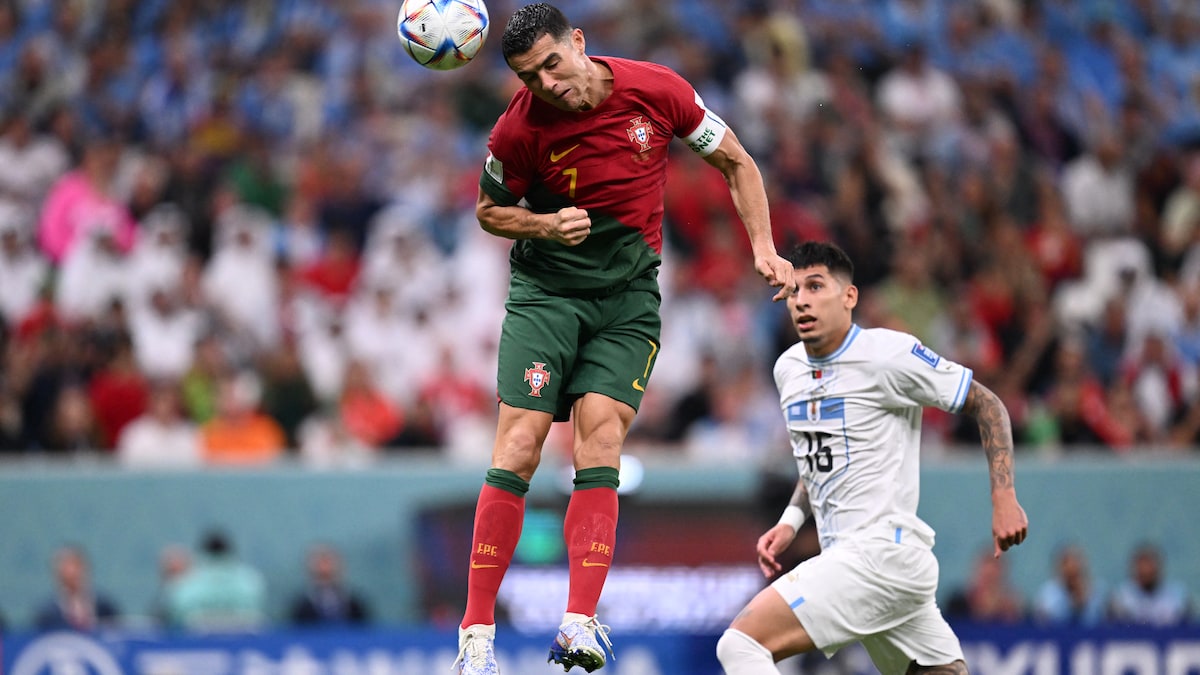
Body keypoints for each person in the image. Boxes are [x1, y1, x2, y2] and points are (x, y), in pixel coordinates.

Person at [452, 4, 796, 674]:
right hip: (547, 296)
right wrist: (545, 226)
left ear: (579, 42)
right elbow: (490, 210)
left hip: (627, 300)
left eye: (552, 64)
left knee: (602, 437)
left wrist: (763, 246)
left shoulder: (657, 90)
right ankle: (476, 635)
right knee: (519, 445)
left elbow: (736, 161)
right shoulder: (518, 129)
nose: (547, 83)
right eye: (530, 76)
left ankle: (578, 623)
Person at [716, 242, 1029, 675]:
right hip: (870, 569)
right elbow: (817, 456)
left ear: (849, 297)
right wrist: (791, 521)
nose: (802, 300)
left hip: (878, 555)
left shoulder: (888, 354)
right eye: (794, 291)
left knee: (740, 644)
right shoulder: (788, 369)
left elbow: (988, 405)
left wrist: (1004, 497)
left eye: (816, 286)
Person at [165, 529, 267, 632]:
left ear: (202, 554)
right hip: (246, 639)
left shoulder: (185, 583)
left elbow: (176, 613)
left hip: (194, 640)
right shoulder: (251, 581)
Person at [34, 545, 121, 632]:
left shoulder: (103, 606)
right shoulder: (48, 613)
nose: (72, 573)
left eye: (76, 566)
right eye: (66, 570)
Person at [1108, 542, 1191, 627]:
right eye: (1142, 567)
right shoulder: (1121, 598)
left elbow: (1188, 628)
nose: (1146, 571)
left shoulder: (1177, 597)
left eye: (1149, 566)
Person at [289, 544, 371, 627]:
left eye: (328, 574)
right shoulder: (301, 607)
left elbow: (366, 628)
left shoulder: (354, 604)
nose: (324, 568)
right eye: (321, 575)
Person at [1031, 544, 1107, 627]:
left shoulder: (1098, 591)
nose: (1071, 568)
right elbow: (1044, 621)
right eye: (1066, 564)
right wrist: (1073, 604)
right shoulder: (1047, 593)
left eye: (1076, 564)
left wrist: (1083, 601)